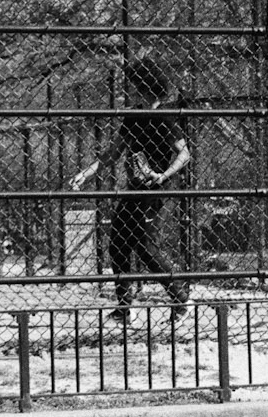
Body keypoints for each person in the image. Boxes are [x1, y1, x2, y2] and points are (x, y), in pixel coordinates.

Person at [72, 58, 191, 319]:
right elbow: (113, 153)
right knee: (118, 243)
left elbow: (184, 154)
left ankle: (181, 300)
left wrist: (163, 175)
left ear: (146, 89)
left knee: (145, 245)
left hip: (156, 189)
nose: (130, 91)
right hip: (134, 188)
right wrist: (86, 174)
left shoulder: (164, 118)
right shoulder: (133, 116)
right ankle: (125, 307)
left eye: (135, 86)